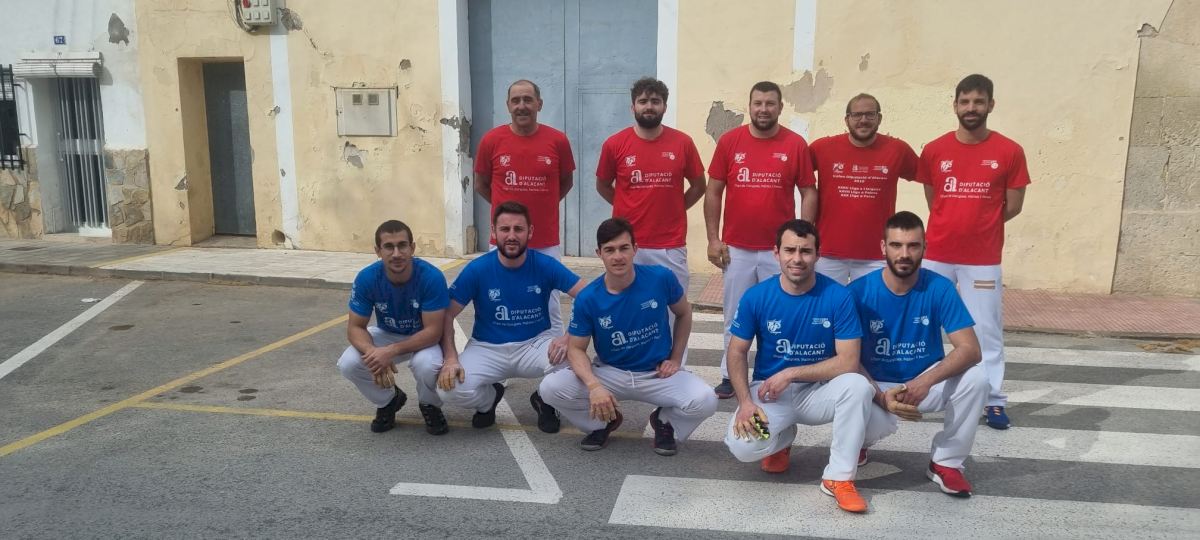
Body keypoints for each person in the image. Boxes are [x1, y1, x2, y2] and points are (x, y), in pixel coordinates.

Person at [722, 219, 873, 513]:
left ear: (818, 254)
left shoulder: (838, 296)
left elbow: (848, 361)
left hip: (818, 392)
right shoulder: (756, 296)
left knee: (857, 386)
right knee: (743, 446)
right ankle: (781, 439)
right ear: (776, 253)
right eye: (790, 250)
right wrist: (745, 403)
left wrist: (791, 373)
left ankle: (839, 478)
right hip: (770, 395)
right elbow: (737, 351)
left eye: (806, 251)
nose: (797, 259)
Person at [539, 218, 716, 455]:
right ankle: (602, 422)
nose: (618, 256)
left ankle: (664, 422)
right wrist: (594, 386)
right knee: (550, 388)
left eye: (624, 248)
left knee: (706, 400)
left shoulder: (661, 278)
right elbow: (576, 349)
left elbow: (684, 313)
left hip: (656, 373)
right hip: (610, 373)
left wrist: (675, 359)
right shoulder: (588, 297)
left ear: (635, 249)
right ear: (599, 254)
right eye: (609, 250)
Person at [917, 74, 1031, 430]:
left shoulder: (1009, 151)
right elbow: (934, 199)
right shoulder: (935, 149)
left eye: (978, 102)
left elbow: (1013, 206)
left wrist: (981, 223)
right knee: (923, 324)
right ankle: (918, 389)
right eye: (965, 101)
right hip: (937, 253)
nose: (971, 108)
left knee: (985, 330)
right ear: (955, 105)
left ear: (990, 105)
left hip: (982, 259)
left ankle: (992, 399)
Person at [850, 211, 987, 498]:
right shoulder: (857, 292)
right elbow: (846, 357)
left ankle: (946, 463)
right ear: (883, 247)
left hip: (924, 383)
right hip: (875, 386)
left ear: (924, 247)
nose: (904, 254)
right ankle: (857, 442)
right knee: (850, 388)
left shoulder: (940, 287)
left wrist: (924, 382)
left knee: (976, 378)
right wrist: (879, 396)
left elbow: (970, 349)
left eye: (913, 245)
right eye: (896, 245)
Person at [706, 81, 818, 399]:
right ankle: (730, 375)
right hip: (737, 248)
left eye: (770, 103)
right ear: (750, 106)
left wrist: (803, 239)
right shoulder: (730, 141)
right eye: (758, 103)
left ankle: (775, 372)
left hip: (778, 252)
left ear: (780, 107)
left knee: (780, 313)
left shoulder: (795, 144)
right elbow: (713, 192)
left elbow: (809, 192)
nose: (763, 109)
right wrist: (713, 239)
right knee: (735, 315)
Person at [437, 201, 585, 433]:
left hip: (534, 344)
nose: (512, 236)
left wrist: (569, 337)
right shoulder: (477, 269)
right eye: (505, 229)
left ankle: (545, 400)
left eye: (519, 229)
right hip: (487, 347)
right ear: (494, 232)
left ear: (530, 232)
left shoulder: (545, 264)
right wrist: (450, 357)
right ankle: (488, 400)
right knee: (448, 389)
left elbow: (589, 296)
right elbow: (446, 314)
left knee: (575, 365)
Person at [596, 77, 706, 365]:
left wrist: (675, 208)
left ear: (664, 107)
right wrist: (625, 207)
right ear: (632, 106)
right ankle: (624, 367)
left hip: (669, 245)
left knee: (673, 312)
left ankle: (674, 369)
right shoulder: (615, 144)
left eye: (655, 101)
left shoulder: (682, 143)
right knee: (627, 309)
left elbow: (699, 185)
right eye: (643, 101)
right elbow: (603, 185)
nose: (649, 106)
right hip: (628, 246)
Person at [474, 79, 576, 334]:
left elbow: (566, 181)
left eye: (528, 100)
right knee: (501, 298)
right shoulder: (491, 140)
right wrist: (506, 213)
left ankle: (554, 354)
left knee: (549, 303)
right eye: (516, 100)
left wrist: (544, 204)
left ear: (539, 104)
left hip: (545, 240)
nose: (522, 106)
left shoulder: (558, 140)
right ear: (508, 105)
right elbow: (481, 184)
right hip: (503, 239)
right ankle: (502, 351)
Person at [336, 220, 449, 435]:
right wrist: (374, 353)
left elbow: (433, 332)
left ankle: (430, 405)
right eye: (389, 246)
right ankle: (389, 400)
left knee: (427, 365)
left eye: (402, 245)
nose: (396, 253)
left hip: (422, 335)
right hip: (387, 332)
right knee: (348, 363)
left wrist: (390, 352)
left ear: (412, 248)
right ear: (378, 251)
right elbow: (355, 328)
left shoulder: (431, 277)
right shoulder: (367, 277)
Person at [809, 93, 918, 284]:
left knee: (872, 304)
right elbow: (795, 175)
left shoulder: (898, 150)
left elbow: (929, 177)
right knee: (826, 302)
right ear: (847, 119)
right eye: (857, 115)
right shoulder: (822, 148)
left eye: (870, 114)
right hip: (828, 253)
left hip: (876, 254)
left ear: (879, 118)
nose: (863, 120)